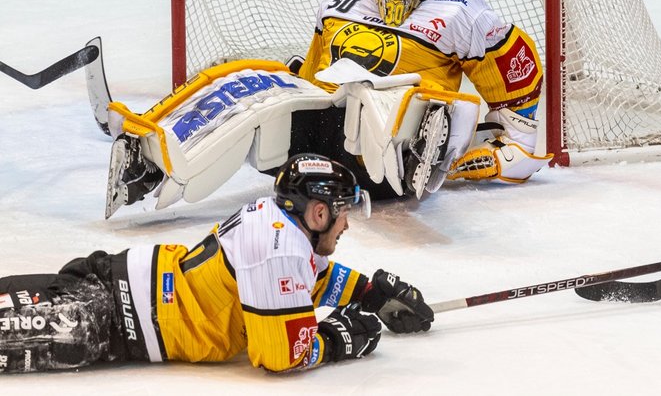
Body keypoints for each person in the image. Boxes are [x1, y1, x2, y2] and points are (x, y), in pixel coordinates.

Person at [104, 0, 550, 217]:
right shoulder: (340, 2)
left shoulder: (458, 13)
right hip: (322, 133)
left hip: (386, 153)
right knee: (245, 79)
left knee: (380, 96)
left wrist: (516, 141)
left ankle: (421, 151)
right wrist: (286, 86)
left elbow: (516, 62)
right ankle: (150, 159)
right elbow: (316, 67)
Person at [0, 154, 433, 374]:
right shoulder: (279, 248)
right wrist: (336, 341)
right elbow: (279, 357)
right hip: (98, 318)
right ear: (318, 213)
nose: (346, 224)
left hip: (111, 293)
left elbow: (310, 279)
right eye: (342, 212)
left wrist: (370, 295)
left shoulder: (280, 218)